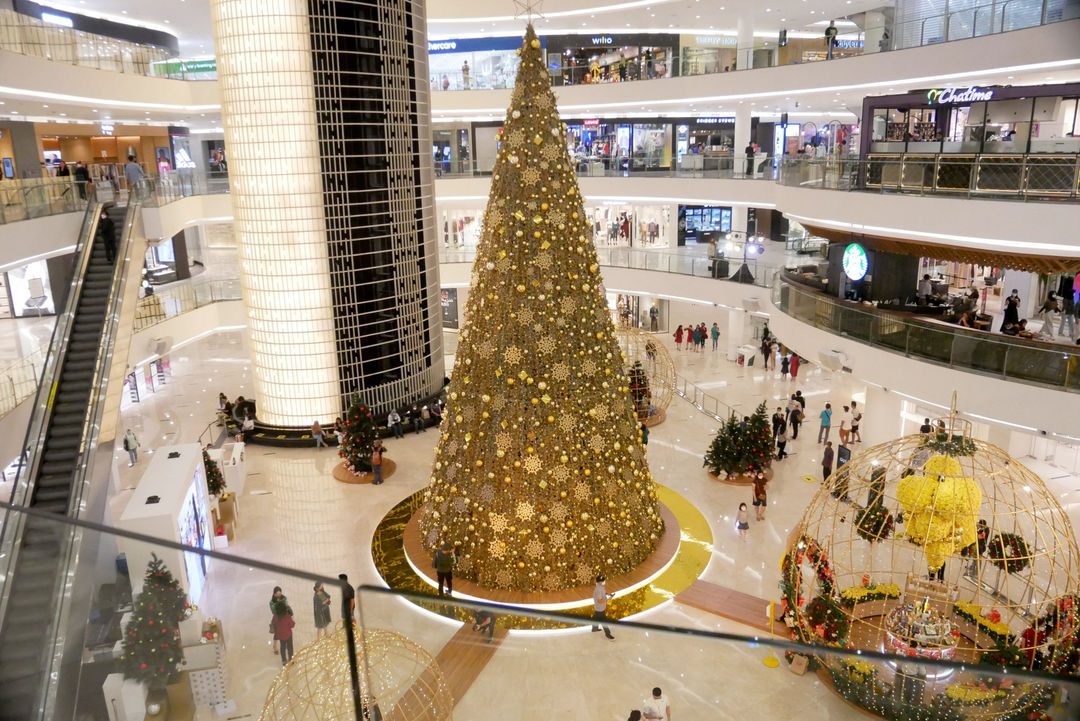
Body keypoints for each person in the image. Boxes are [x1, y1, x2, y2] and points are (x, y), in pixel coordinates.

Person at [272, 599, 296, 665]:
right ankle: (291, 659)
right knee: (290, 647)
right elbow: (292, 625)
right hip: (288, 635)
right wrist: (292, 619)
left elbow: (274, 623)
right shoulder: (287, 617)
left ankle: (284, 661)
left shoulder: (275, 616)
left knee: (282, 647)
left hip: (280, 635)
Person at [591, 574, 616, 640]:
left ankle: (594, 628)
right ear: (600, 581)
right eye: (603, 580)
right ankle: (608, 634)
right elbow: (599, 600)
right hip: (600, 608)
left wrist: (608, 594)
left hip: (599, 608)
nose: (604, 581)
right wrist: (608, 599)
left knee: (596, 618)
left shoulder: (600, 587)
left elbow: (603, 592)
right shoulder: (598, 589)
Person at [269, 586, 285, 654]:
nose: (279, 595)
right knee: (277, 634)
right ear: (274, 594)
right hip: (277, 619)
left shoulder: (283, 598)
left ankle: (284, 645)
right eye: (277, 594)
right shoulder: (272, 602)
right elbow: (273, 611)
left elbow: (286, 606)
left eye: (280, 593)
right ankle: (275, 646)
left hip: (283, 618)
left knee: (284, 632)